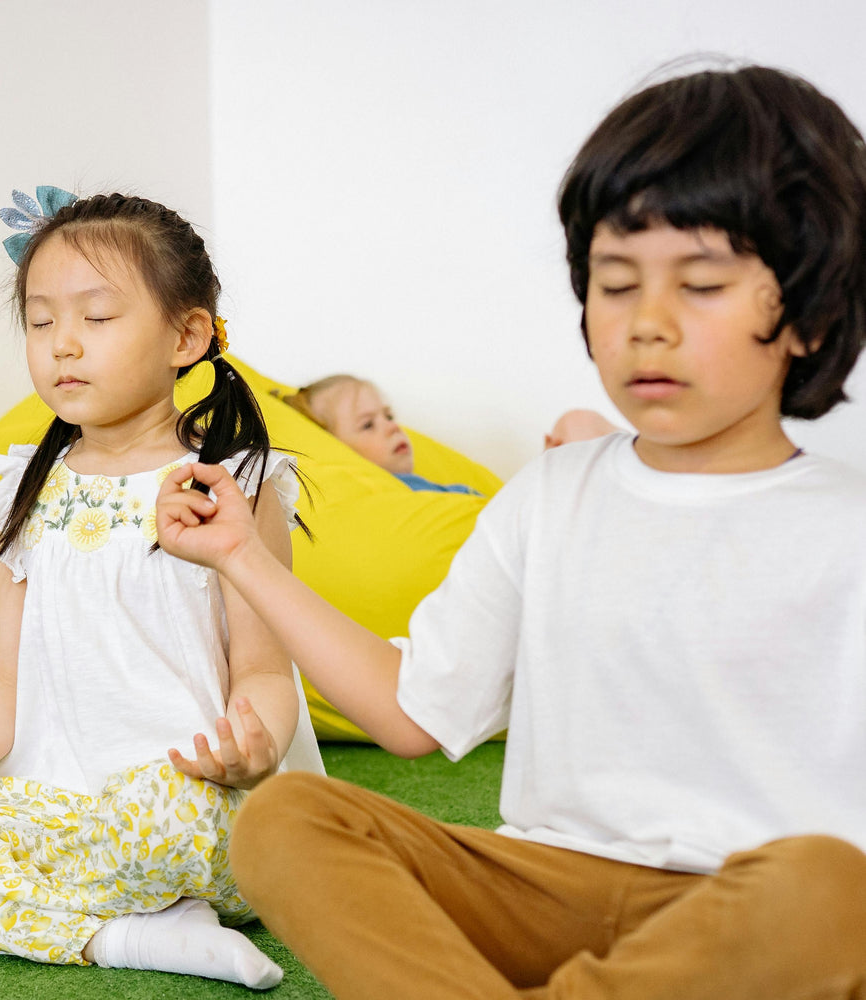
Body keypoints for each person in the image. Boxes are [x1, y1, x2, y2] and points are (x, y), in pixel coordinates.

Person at [155, 64, 866, 998]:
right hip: (546, 889)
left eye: (700, 284)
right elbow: (413, 712)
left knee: (834, 891)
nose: (646, 324)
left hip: (750, 917)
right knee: (288, 818)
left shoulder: (845, 529)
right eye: (615, 285)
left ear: (809, 315)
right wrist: (244, 553)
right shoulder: (551, 493)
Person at [0, 191, 323, 990]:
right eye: (39, 321)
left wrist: (253, 748)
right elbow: (6, 686)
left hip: (193, 806)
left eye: (96, 319)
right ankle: (126, 935)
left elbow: (265, 672)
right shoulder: (23, 489)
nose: (63, 344)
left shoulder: (232, 481)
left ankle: (128, 904)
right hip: (59, 808)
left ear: (187, 336)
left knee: (162, 817)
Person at [283, 375, 617, 492]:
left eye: (389, 415)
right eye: (368, 424)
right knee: (578, 425)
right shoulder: (394, 498)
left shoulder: (420, 488)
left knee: (579, 426)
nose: (392, 426)